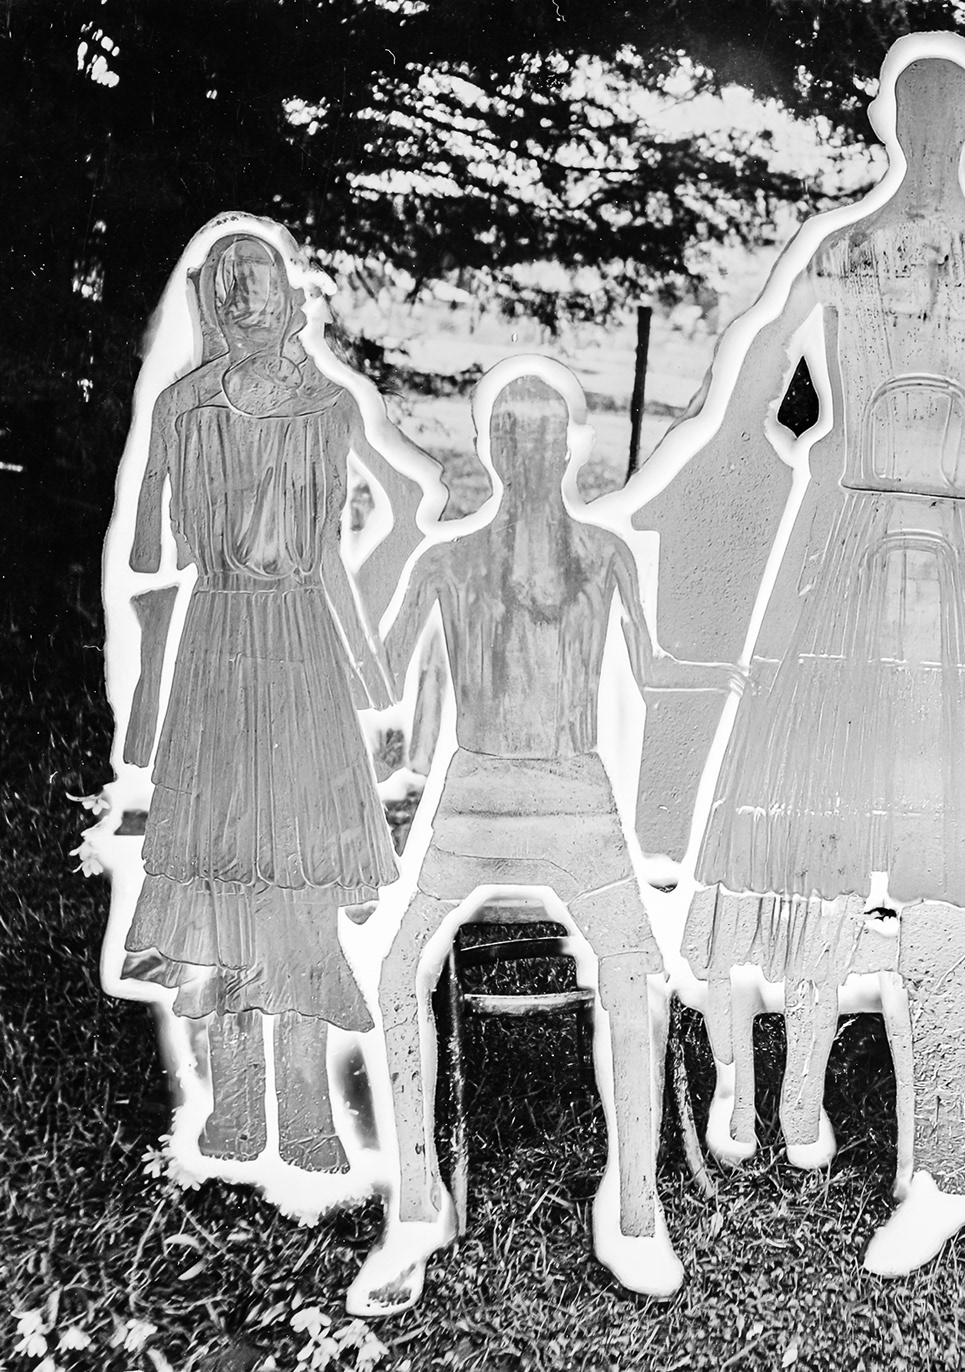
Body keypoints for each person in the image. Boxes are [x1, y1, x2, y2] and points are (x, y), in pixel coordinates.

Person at [639, 34, 965, 1274]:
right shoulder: (843, 252)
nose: (937, 129)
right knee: (822, 835)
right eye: (923, 109)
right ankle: (791, 1093)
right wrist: (695, 488)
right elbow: (750, 383)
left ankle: (943, 1168)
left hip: (960, 580)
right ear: (899, 125)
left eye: (947, 111)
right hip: (846, 567)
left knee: (952, 862)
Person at [349, 362, 734, 1314]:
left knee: (635, 977)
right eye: (514, 436)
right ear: (490, 449)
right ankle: (416, 1205)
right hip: (474, 796)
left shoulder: (604, 557)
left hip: (575, 794)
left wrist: (739, 675)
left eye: (546, 435)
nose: (530, 452)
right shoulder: (445, 562)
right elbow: (377, 675)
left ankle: (635, 1204)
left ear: (570, 448)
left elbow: (655, 669)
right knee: (397, 972)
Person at [124, 230, 406, 1174]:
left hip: (300, 649)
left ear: (286, 297)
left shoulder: (326, 408)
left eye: (260, 285)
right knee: (225, 880)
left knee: (300, 884)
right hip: (217, 646)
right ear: (211, 304)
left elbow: (328, 555)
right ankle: (238, 1108)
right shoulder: (183, 406)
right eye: (228, 289)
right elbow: (148, 557)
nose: (246, 303)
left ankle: (310, 1111)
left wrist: (370, 672)